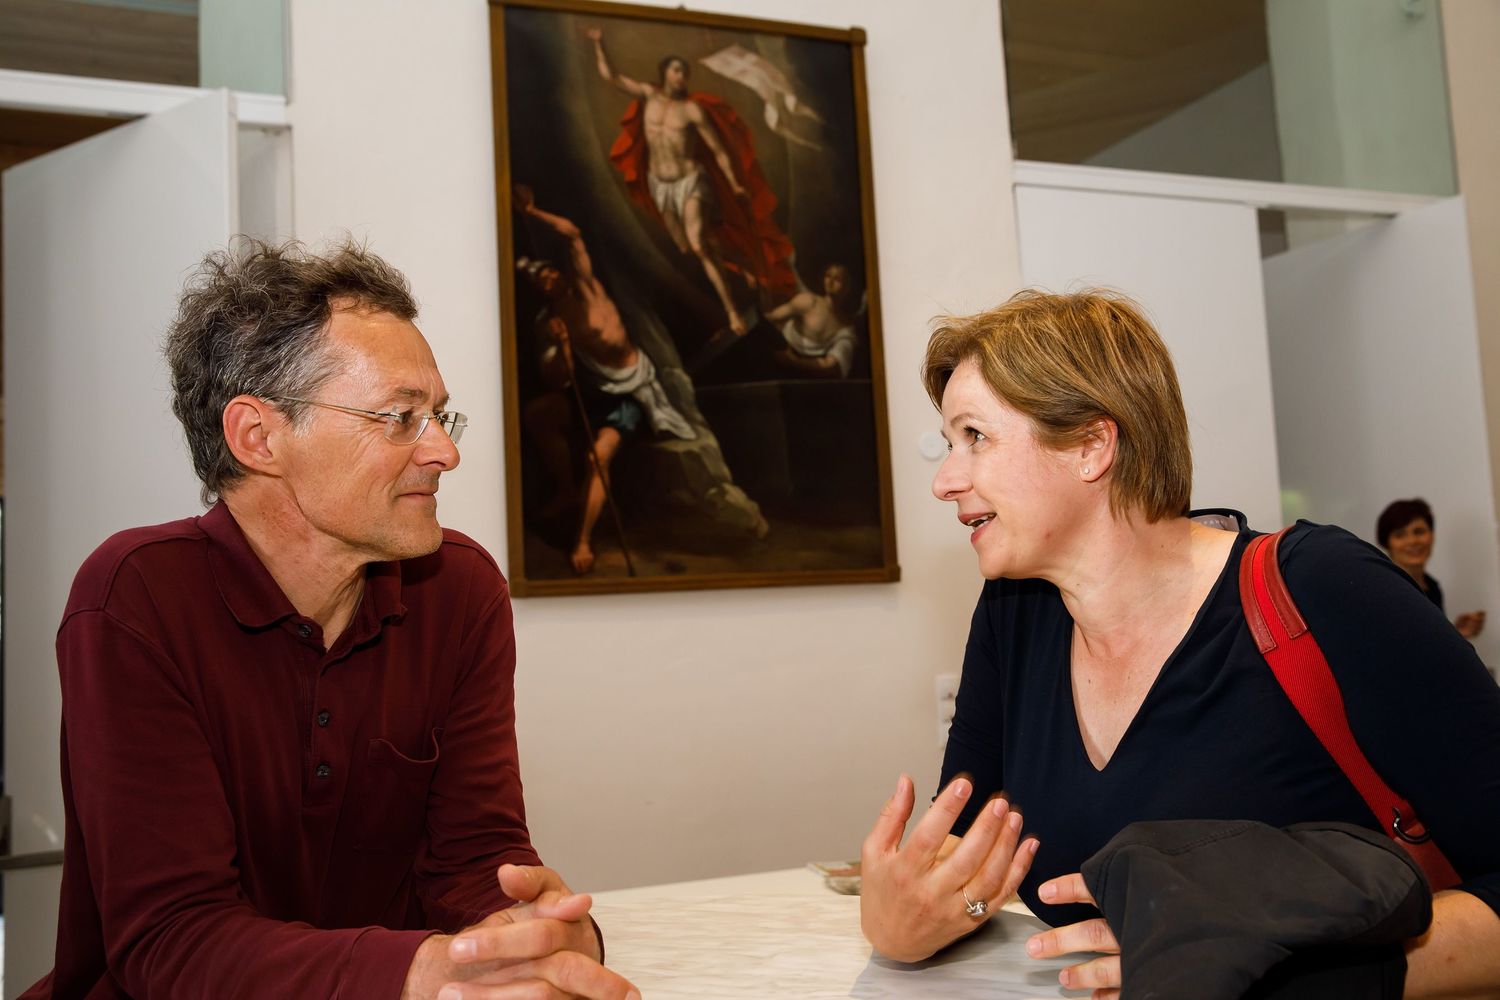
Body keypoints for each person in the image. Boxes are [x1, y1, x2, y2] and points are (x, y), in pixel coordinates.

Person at [23, 239, 638, 1000]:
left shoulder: (460, 590)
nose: (444, 452)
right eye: (400, 417)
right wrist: (420, 972)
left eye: (439, 416)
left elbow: (475, 859)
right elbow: (171, 939)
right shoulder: (136, 597)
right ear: (258, 437)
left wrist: (535, 930)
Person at [859, 289, 1500, 996]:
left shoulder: (1323, 590)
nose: (945, 481)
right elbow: (963, 874)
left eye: (974, 437)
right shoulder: (1016, 615)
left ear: (1091, 447)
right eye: (949, 443)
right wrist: (903, 925)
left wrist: (1312, 977)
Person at [514, 187, 697, 575]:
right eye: (541, 279)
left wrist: (532, 211)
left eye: (550, 272)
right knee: (538, 414)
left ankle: (583, 540)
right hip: (595, 390)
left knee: (598, 456)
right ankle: (566, 489)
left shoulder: (587, 286)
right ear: (538, 288)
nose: (549, 279)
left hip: (630, 390)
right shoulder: (549, 322)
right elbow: (558, 380)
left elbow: (573, 234)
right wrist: (562, 346)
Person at [587, 27, 797, 335]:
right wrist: (598, 43)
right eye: (676, 70)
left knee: (698, 243)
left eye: (684, 72)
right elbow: (611, 77)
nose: (681, 76)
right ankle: (744, 265)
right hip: (660, 184)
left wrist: (734, 184)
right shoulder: (648, 95)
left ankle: (732, 312)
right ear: (664, 73)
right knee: (687, 246)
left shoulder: (692, 110)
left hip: (691, 181)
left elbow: (718, 149)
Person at [1377, 497, 1486, 640]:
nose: (1412, 541)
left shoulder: (1432, 588)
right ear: (1386, 543)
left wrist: (1457, 634)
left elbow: (1427, 642)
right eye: (1400, 535)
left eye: (1419, 531)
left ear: (1432, 535)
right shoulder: (1385, 591)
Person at [764, 263, 860, 379]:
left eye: (837, 279)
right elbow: (770, 318)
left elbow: (830, 365)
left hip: (809, 373)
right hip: (779, 356)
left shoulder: (846, 327)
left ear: (847, 287)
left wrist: (793, 361)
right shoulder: (809, 301)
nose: (830, 282)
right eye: (828, 276)